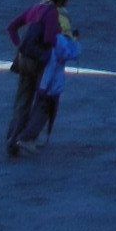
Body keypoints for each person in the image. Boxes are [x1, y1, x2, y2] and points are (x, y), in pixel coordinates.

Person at [5, 0, 70, 157]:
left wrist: (20, 46)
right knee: (42, 100)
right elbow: (49, 38)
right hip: (38, 62)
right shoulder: (50, 12)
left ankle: (12, 136)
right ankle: (26, 138)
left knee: (22, 100)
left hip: (23, 60)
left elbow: (12, 27)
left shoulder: (36, 8)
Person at [34, 11, 80, 140]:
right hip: (53, 85)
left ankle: (35, 135)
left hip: (44, 82)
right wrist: (75, 41)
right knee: (48, 110)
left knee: (39, 108)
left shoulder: (48, 32)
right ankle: (40, 134)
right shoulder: (60, 40)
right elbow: (71, 54)